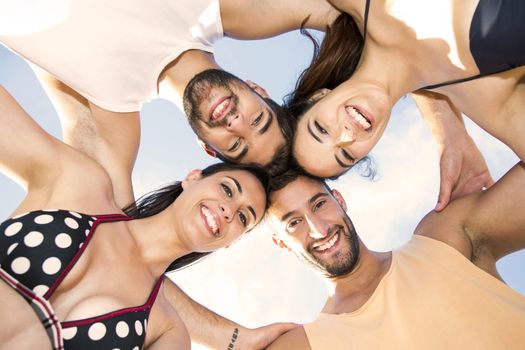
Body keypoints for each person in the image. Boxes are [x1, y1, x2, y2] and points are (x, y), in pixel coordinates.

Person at [0, 0, 490, 211]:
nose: (236, 122)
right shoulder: (228, 11)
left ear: (208, 150)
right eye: (259, 119)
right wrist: (447, 125)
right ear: (258, 87)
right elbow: (377, 27)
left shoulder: (109, 114)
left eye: (236, 142)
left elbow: (111, 227)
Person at [0, 85, 269, 349]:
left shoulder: (168, 333)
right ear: (192, 178)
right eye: (227, 189)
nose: (228, 210)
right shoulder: (80, 184)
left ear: (230, 243)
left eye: (243, 218)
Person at [265, 168, 525, 349]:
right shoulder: (306, 344)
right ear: (281, 244)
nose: (319, 229)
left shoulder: (443, 237)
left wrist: (447, 126)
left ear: (339, 200)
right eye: (294, 222)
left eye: (319, 204)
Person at [287, 0, 524, 190]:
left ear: (318, 97)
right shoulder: (487, 98)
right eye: (346, 155)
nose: (346, 135)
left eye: (322, 129)